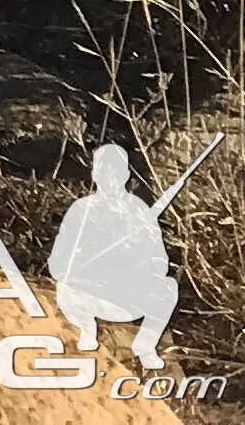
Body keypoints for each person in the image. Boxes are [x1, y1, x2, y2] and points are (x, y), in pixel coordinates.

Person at [47, 143, 182, 371]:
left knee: (168, 288)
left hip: (125, 294)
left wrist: (135, 261)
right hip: (87, 292)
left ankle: (145, 346)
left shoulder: (140, 211)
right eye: (103, 170)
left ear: (126, 174)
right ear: (95, 174)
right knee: (65, 289)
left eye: (116, 171)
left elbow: (160, 262)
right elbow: (57, 263)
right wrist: (84, 272)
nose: (110, 177)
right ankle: (86, 332)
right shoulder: (81, 209)